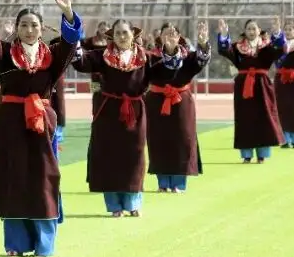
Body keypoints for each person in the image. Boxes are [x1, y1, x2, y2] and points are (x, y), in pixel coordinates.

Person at [0, 0, 80, 256]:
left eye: (34, 25)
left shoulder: (53, 56)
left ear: (42, 29)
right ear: (17, 30)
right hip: (10, 125)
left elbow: (70, 43)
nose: (29, 30)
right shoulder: (5, 55)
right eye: (24, 25)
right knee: (14, 178)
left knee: (43, 180)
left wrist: (68, 13)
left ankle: (45, 244)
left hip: (42, 124)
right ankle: (16, 244)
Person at [72, 18, 152, 216]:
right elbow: (82, 62)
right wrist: (73, 41)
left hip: (134, 112)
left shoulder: (145, 58)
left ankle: (133, 203)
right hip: (107, 112)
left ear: (133, 34)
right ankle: (115, 206)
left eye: (125, 32)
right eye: (117, 33)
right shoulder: (103, 56)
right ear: (112, 36)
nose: (122, 36)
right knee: (110, 156)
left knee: (134, 156)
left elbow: (166, 72)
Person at [145, 22, 211, 193]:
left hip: (182, 103)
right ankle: (163, 182)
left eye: (174, 33)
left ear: (180, 37)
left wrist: (203, 43)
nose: (170, 36)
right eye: (166, 32)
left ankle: (178, 183)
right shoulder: (151, 57)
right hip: (156, 103)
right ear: (160, 37)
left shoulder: (188, 57)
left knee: (183, 140)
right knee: (159, 141)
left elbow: (201, 60)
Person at [217, 18, 286, 163]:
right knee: (245, 119)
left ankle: (262, 155)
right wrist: (224, 33)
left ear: (259, 31)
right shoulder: (237, 47)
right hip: (243, 87)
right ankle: (246, 155)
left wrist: (277, 32)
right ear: (245, 31)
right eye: (249, 29)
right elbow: (224, 50)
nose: (251, 31)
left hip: (262, 86)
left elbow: (280, 49)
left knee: (264, 118)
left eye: (254, 28)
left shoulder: (267, 46)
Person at [81, 22, 110, 116]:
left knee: (109, 94)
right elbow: (81, 45)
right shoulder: (91, 41)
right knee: (96, 94)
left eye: (105, 30)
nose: (103, 32)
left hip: (109, 74)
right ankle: (96, 114)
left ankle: (109, 114)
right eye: (102, 29)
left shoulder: (112, 42)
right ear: (98, 29)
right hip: (95, 75)